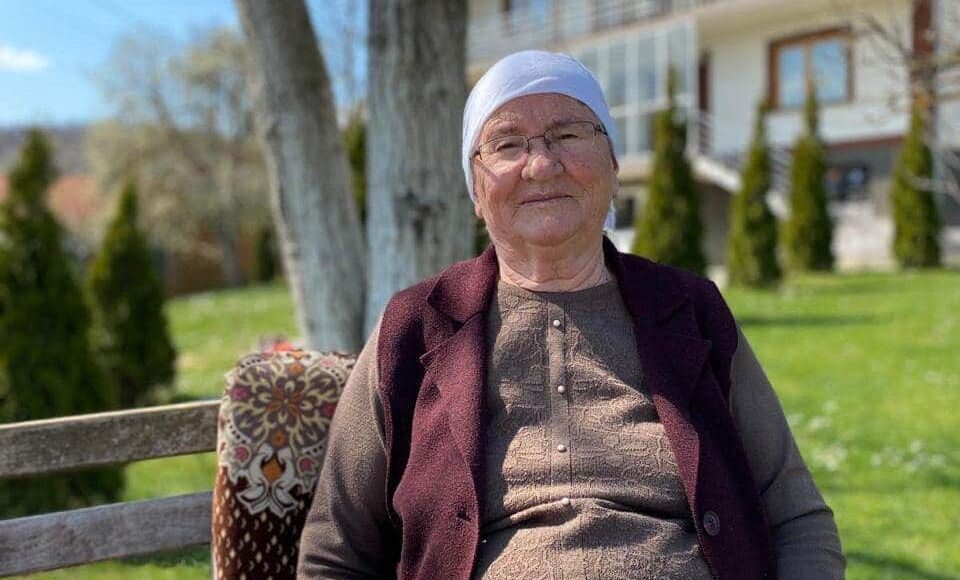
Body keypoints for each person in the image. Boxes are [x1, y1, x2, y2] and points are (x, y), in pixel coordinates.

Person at [297, 50, 844, 580]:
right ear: (476, 191)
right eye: (507, 144)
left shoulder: (691, 311)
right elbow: (333, 555)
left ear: (612, 164)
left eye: (569, 134)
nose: (541, 165)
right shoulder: (418, 325)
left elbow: (799, 519)